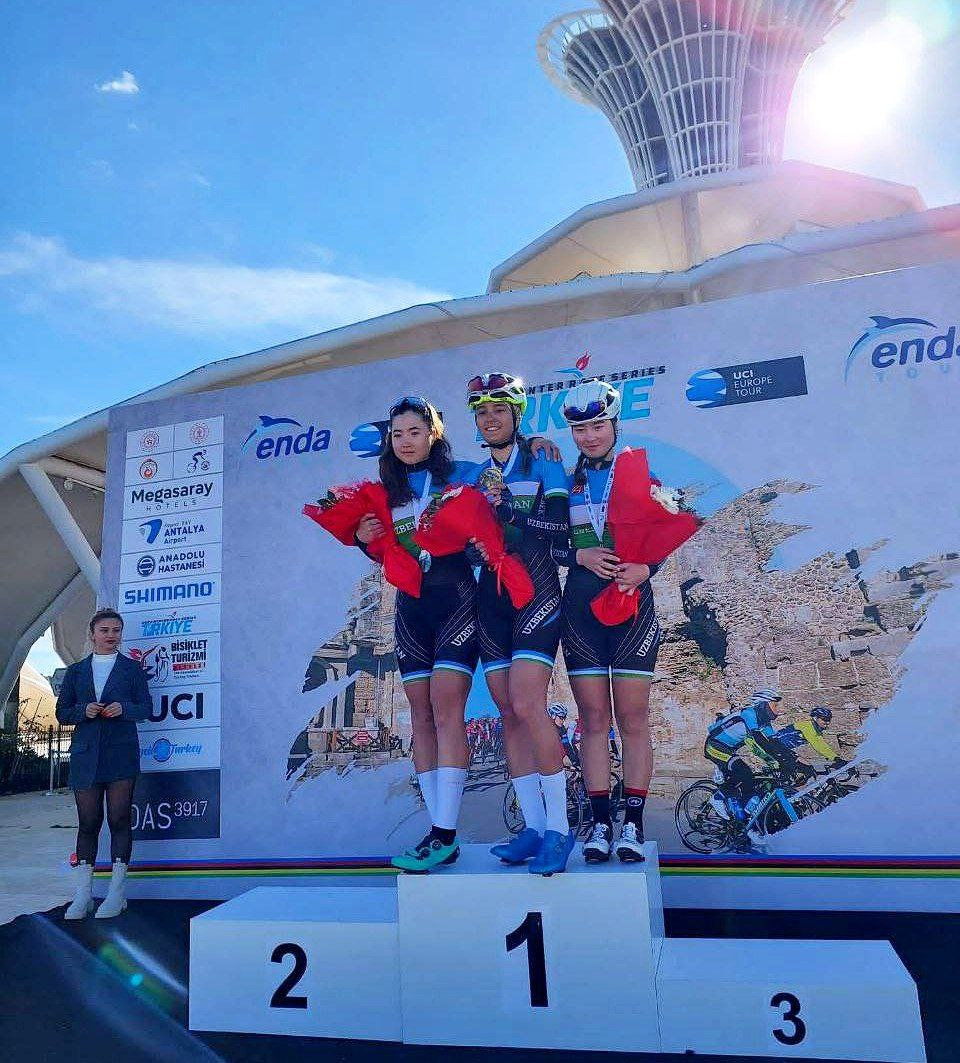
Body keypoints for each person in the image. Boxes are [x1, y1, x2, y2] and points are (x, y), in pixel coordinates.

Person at [354, 396, 478, 873]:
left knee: (447, 708)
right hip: (410, 606)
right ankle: (437, 830)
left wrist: (536, 445)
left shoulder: (462, 474)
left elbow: (505, 475)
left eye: (415, 432)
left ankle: (444, 832)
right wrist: (365, 541)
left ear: (433, 434)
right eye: (398, 434)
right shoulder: (384, 491)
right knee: (420, 714)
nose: (406, 442)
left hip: (456, 598)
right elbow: (383, 551)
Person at [464, 372, 575, 875]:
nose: (490, 419)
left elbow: (560, 528)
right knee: (508, 711)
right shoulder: (472, 475)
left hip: (537, 590)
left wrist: (512, 513)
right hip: (491, 598)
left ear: (516, 415)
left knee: (530, 704)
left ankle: (560, 829)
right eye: (482, 412)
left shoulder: (543, 459)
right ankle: (532, 827)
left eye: (499, 410)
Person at [554, 379, 662, 863]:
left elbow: (669, 529)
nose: (590, 436)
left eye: (598, 425)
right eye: (580, 429)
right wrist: (579, 555)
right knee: (593, 718)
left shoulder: (639, 473)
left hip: (632, 602)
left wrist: (648, 568)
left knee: (633, 717)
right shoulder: (563, 482)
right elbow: (546, 543)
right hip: (581, 609)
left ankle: (632, 826)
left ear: (615, 425)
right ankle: (600, 823)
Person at [55, 608, 152, 919]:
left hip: (121, 754)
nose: (111, 635)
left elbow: (145, 708)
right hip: (86, 756)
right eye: (105, 630)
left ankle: (116, 892)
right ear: (92, 634)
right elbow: (62, 712)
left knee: (119, 820)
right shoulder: (76, 671)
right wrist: (83, 711)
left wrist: (124, 708)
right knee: (88, 823)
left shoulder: (132, 669)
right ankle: (83, 895)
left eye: (116, 630)